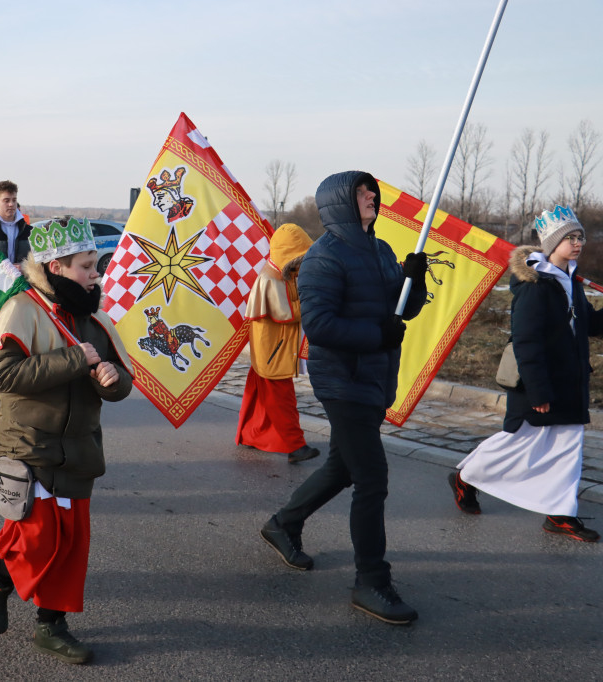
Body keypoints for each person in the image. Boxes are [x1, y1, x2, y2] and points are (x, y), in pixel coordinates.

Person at [258, 171, 428, 626]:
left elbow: (403, 310)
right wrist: (377, 335)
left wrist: (416, 279)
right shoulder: (322, 258)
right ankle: (371, 581)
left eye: (372, 190)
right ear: (340, 202)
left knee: (341, 466)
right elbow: (320, 326)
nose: (373, 195)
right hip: (343, 382)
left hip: (375, 378)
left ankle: (283, 524)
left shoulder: (382, 250)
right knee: (371, 478)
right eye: (362, 191)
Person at [0, 217, 132, 665]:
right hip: (27, 445)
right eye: (87, 266)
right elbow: (2, 375)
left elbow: (123, 384)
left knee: (70, 544)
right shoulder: (22, 310)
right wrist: (71, 360)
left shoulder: (95, 317)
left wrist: (110, 379)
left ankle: (52, 625)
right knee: (37, 538)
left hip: (80, 449)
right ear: (58, 267)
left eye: (95, 265)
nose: (96, 274)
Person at [449, 206, 603, 542]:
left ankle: (560, 514)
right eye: (569, 238)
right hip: (541, 384)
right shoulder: (535, 285)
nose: (577, 243)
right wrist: (539, 392)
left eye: (580, 237)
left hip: (570, 380)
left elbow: (588, 324)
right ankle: (466, 478)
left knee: (567, 447)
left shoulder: (570, 280)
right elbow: (526, 342)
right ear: (551, 243)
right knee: (519, 443)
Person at [237, 223, 319, 463]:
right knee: (282, 400)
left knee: (259, 395)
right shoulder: (271, 279)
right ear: (287, 256)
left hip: (272, 349)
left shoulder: (281, 273)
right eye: (299, 257)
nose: (303, 262)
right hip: (274, 351)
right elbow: (289, 314)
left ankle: (250, 434)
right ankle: (296, 447)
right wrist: (314, 297)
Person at [0, 180, 33, 414]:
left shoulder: (28, 231)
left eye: (14, 200)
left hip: (22, 294)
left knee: (16, 341)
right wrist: (4, 269)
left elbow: (37, 261)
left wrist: (25, 268)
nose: (11, 205)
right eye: (6, 200)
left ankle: (15, 388)